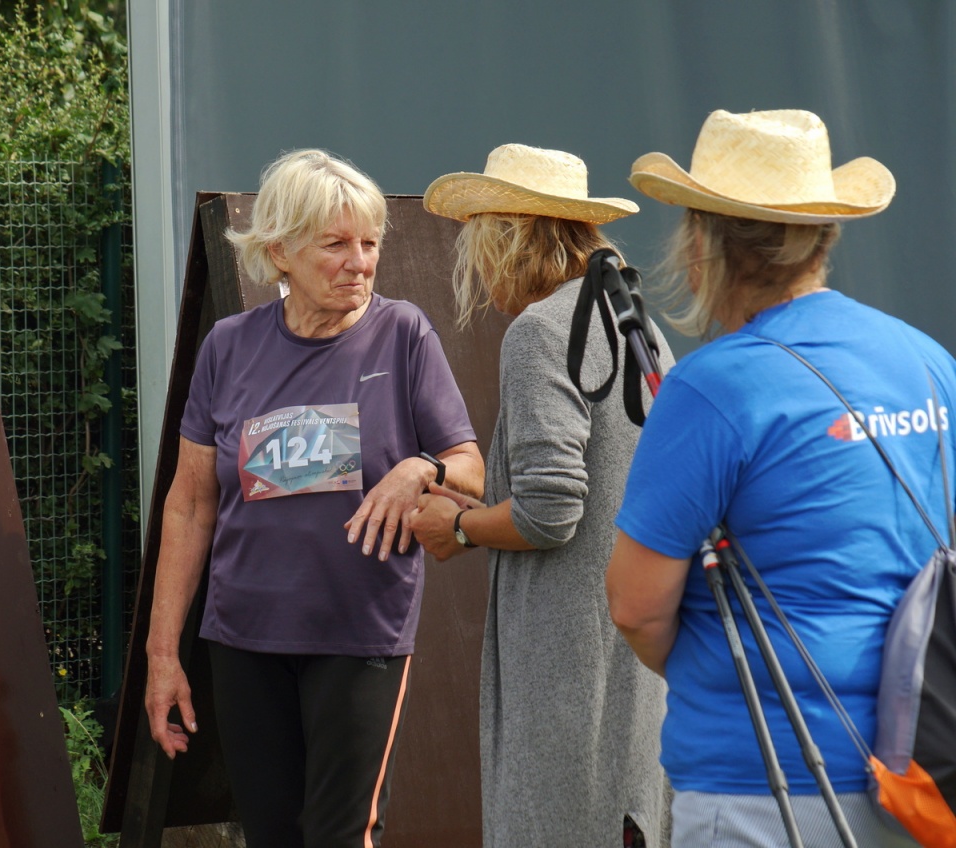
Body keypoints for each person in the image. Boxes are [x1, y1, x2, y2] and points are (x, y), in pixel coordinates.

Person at [607, 108, 939, 846]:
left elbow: (635, 608)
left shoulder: (712, 386)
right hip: (926, 774)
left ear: (702, 241)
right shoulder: (928, 362)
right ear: (824, 234)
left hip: (764, 785)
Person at [142, 148, 483, 848]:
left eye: (370, 244)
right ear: (279, 252)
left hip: (359, 637)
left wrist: (417, 468)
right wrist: (162, 653)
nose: (359, 262)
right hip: (244, 637)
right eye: (335, 245)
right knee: (271, 836)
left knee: (341, 836)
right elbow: (190, 504)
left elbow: (469, 468)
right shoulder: (228, 347)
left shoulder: (403, 334)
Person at [412, 143, 672, 847]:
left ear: (507, 237)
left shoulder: (541, 330)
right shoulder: (634, 322)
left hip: (569, 675)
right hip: (634, 665)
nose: (475, 265)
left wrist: (458, 527)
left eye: (478, 240)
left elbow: (550, 512)